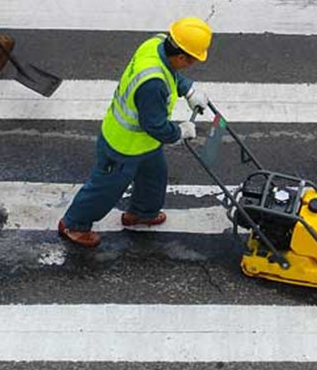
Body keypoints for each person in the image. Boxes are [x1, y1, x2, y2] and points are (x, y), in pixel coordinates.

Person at [58, 17, 212, 248]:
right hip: (124, 145)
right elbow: (156, 126)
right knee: (105, 189)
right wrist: (180, 132)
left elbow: (170, 72)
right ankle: (74, 224)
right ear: (181, 56)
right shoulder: (153, 85)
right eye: (192, 60)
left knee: (154, 177)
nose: (191, 64)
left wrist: (187, 89)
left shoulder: (156, 44)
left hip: (144, 144)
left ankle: (142, 213)